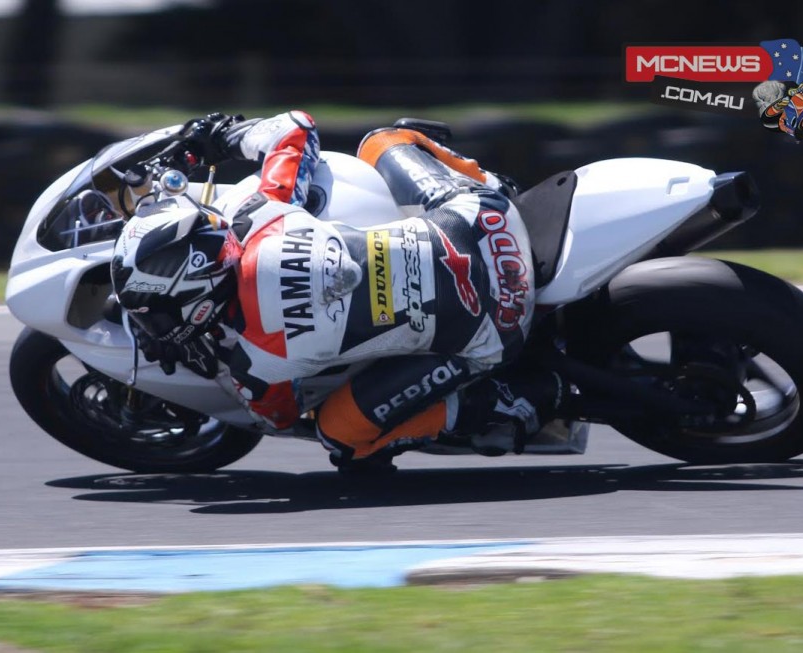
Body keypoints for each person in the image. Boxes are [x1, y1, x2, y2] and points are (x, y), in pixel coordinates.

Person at [110, 110, 562, 470]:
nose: (154, 321)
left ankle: (512, 402)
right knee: (381, 141)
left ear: (199, 299)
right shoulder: (265, 213)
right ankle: (496, 183)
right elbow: (295, 127)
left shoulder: (257, 363)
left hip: (494, 331)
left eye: (160, 311)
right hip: (488, 224)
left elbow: (278, 418)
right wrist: (221, 136)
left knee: (340, 438)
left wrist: (204, 357)